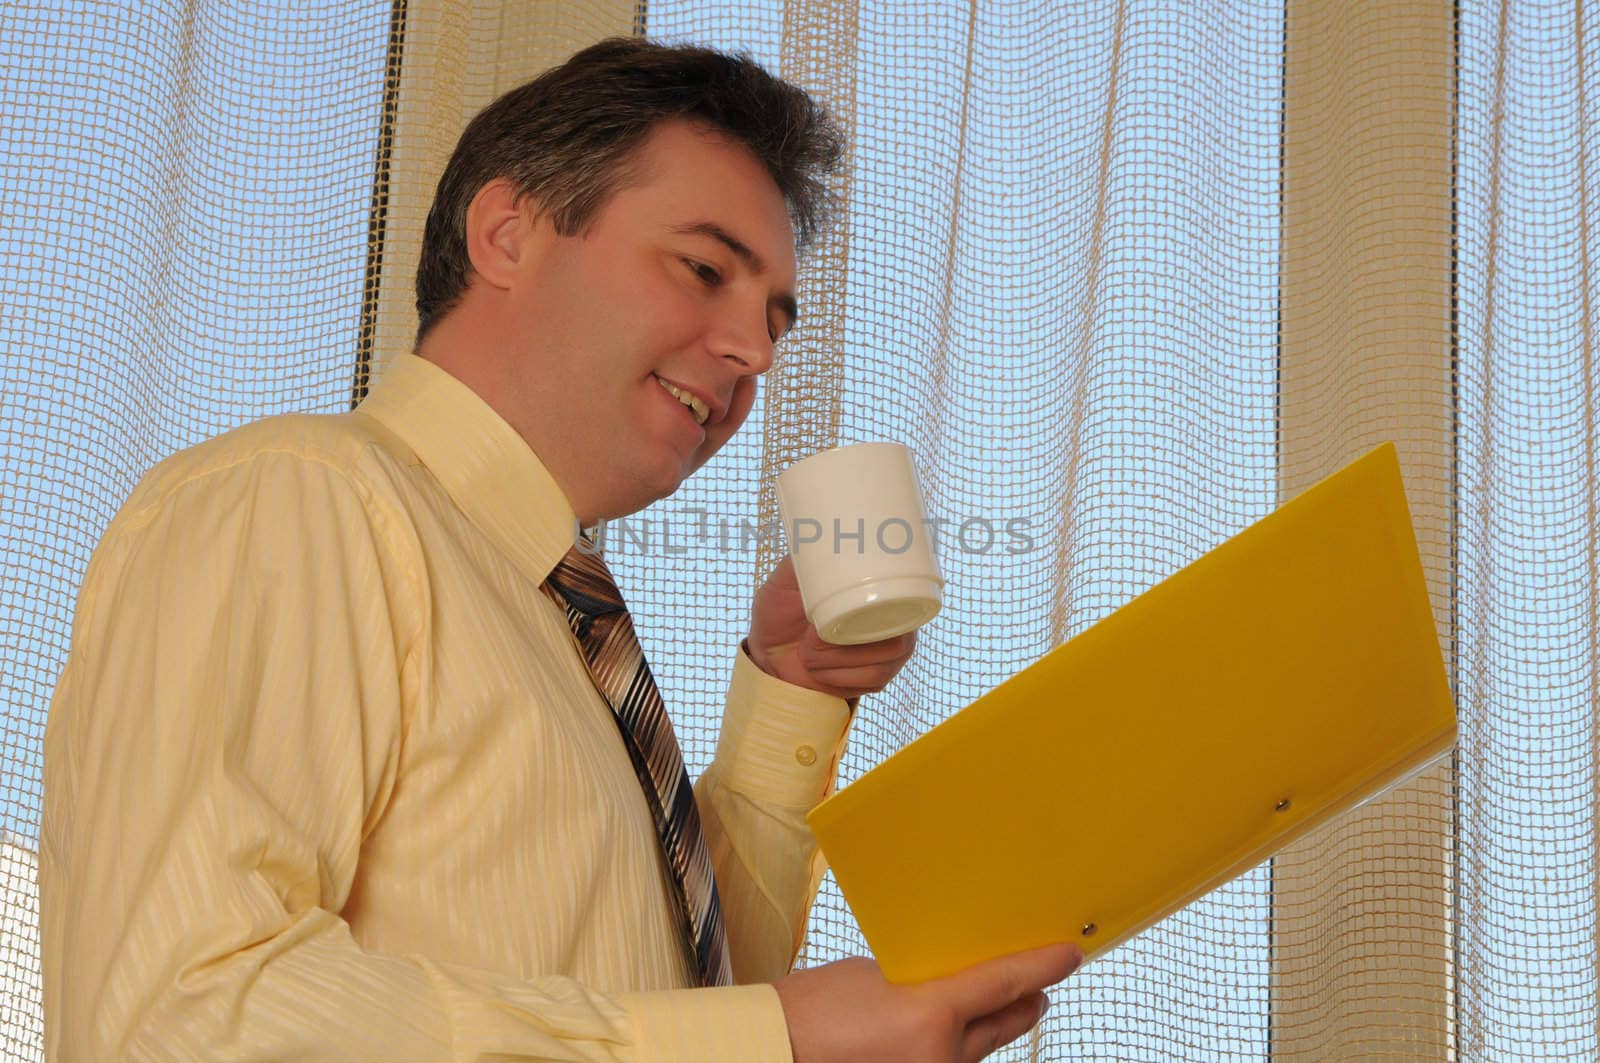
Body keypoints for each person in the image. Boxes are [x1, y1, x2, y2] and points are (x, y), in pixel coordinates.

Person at [40, 37, 1080, 1061]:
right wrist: (782, 1035)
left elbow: (680, 1003)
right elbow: (173, 1018)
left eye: (775, 321)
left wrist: (792, 686)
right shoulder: (297, 499)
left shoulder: (555, 619)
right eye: (705, 268)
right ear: (505, 233)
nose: (754, 352)